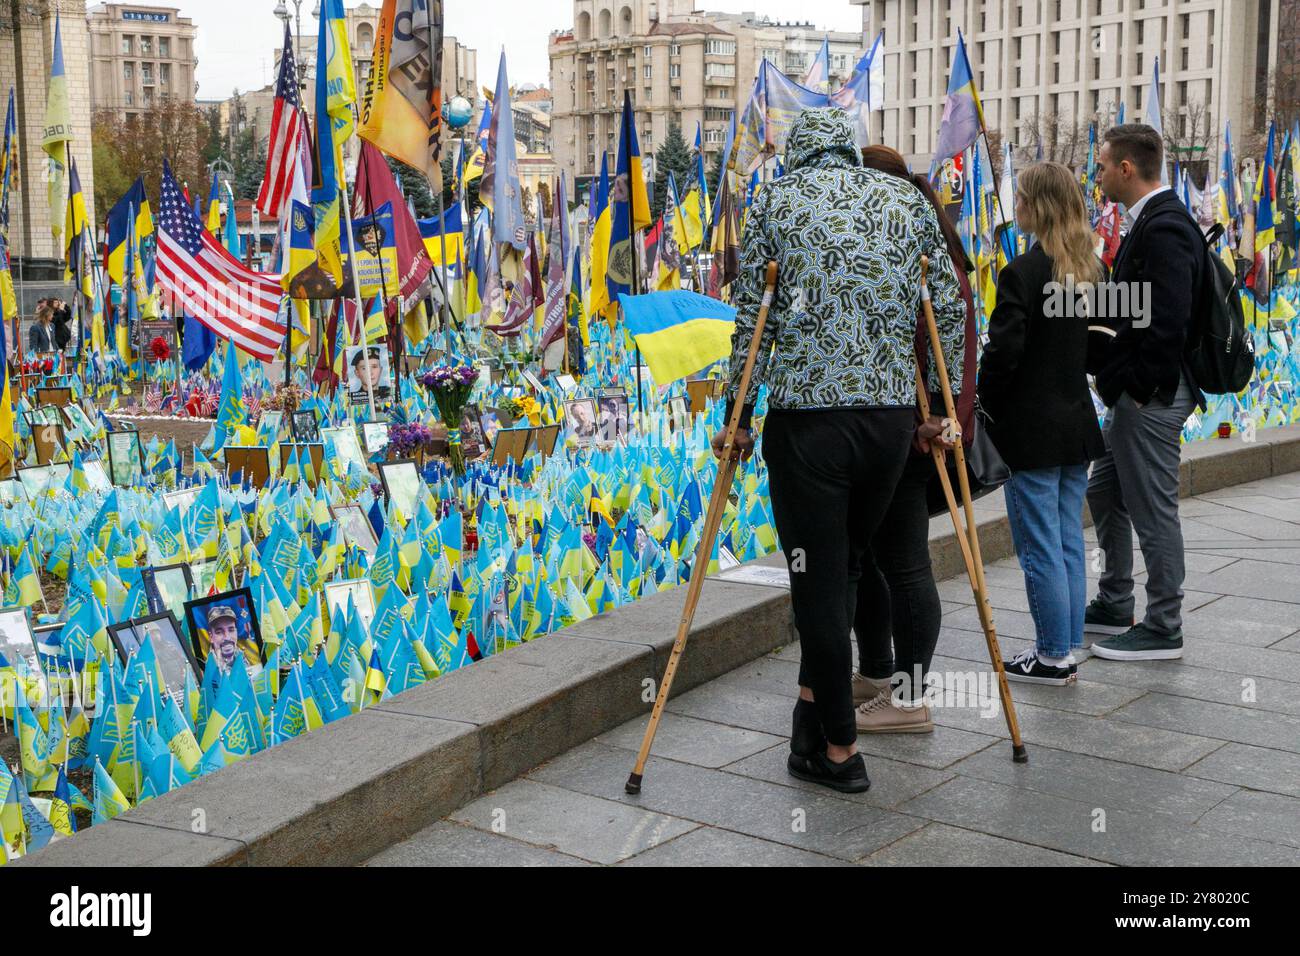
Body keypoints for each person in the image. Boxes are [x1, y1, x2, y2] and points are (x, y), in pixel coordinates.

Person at [715, 109, 965, 793]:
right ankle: (809, 716)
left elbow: (750, 315)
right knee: (849, 567)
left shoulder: (775, 200)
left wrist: (734, 411)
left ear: (797, 152)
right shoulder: (903, 199)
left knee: (817, 582)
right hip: (886, 424)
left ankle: (839, 751)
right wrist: (942, 409)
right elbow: (946, 300)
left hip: (807, 426)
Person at [851, 144, 977, 732]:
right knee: (874, 560)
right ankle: (879, 675)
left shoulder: (929, 261)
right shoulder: (913, 245)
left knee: (904, 563)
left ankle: (909, 697)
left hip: (913, 430)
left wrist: (937, 420)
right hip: (894, 426)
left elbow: (947, 352)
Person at [977, 162, 1108, 684]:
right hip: (1075, 424)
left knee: (1039, 545)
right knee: (1069, 539)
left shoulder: (1022, 273)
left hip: (1030, 430)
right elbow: (1099, 345)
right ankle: (1067, 642)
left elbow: (1002, 354)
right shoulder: (1090, 270)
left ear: (1038, 206)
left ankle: (1052, 654)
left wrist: (984, 403)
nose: (1018, 206)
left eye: (1023, 198)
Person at [1086, 124, 1206, 661]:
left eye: (1104, 166)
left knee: (1153, 509)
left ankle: (1164, 625)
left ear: (1127, 169)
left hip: (1152, 397)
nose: (1099, 175)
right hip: (1137, 395)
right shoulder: (1152, 222)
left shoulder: (1166, 226)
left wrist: (1138, 389)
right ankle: (1116, 600)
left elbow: (1170, 319)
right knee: (1106, 493)